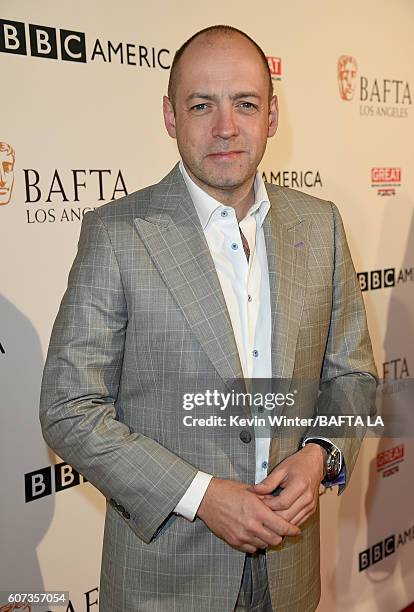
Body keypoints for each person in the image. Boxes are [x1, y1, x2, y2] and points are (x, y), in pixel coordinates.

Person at [39, 25, 377, 612]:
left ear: (272, 116)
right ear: (170, 116)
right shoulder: (117, 234)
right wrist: (201, 496)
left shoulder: (319, 226)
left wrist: (321, 451)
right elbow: (69, 409)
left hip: (289, 575)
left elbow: (354, 378)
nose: (225, 127)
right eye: (202, 106)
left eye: (245, 104)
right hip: (165, 578)